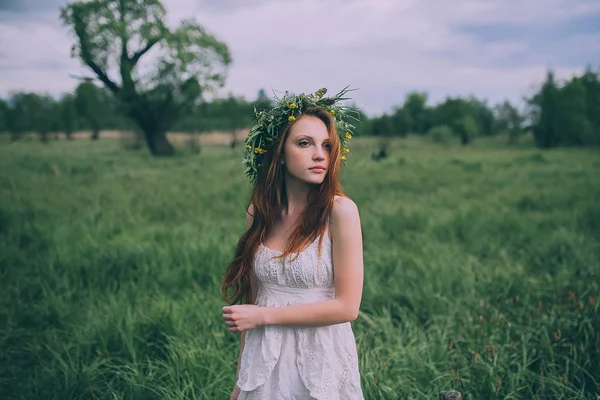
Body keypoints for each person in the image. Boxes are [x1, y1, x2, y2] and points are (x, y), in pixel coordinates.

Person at [221, 87, 364, 400]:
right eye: (304, 143)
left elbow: (348, 307)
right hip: (264, 364)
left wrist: (264, 317)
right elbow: (253, 304)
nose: (319, 155)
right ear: (279, 153)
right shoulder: (259, 213)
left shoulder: (340, 212)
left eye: (327, 146)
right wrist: (239, 385)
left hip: (320, 361)